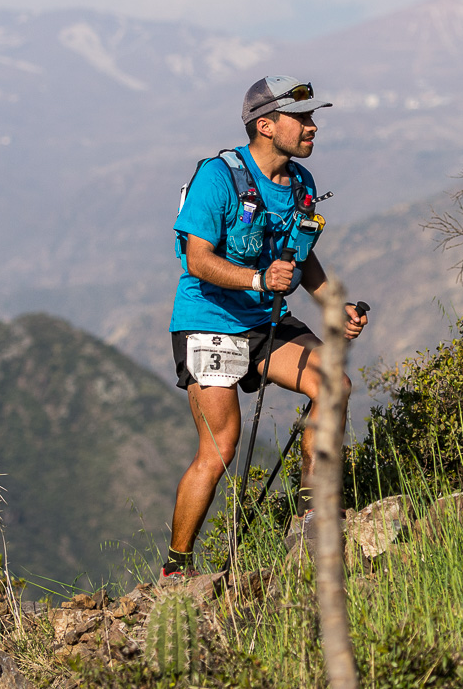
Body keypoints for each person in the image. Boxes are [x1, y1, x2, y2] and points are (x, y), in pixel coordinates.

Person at [161, 75, 368, 581]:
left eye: (313, 119)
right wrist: (257, 276)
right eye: (303, 119)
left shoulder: (301, 185)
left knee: (334, 386)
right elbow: (197, 259)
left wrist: (333, 305)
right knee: (220, 447)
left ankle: (312, 512)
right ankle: (176, 567)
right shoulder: (219, 176)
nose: (313, 127)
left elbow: (303, 254)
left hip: (264, 320)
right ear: (265, 125)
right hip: (208, 321)